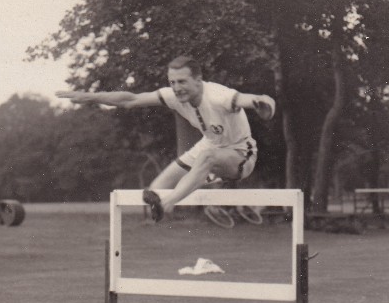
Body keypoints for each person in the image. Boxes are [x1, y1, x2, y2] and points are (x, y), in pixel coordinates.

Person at [56, 55, 275, 222]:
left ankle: (173, 202)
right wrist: (90, 97)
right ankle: (208, 184)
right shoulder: (173, 96)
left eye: (182, 82)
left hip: (240, 155)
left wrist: (264, 104)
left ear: (198, 81)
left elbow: (253, 100)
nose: (177, 88)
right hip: (208, 146)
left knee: (205, 160)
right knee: (153, 191)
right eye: (172, 83)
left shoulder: (219, 96)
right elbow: (130, 100)